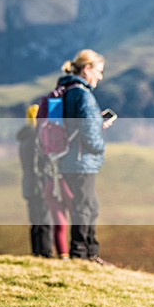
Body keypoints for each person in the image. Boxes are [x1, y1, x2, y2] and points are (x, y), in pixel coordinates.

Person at [57, 49, 115, 266]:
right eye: (98, 71)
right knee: (86, 207)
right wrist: (99, 148)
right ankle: (82, 253)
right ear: (87, 68)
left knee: (87, 205)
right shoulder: (82, 94)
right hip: (81, 160)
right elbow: (88, 134)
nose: (100, 76)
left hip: (70, 158)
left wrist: (96, 122)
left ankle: (88, 252)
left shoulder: (68, 90)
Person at [16, 104, 54, 257]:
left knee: (35, 220)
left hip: (28, 184)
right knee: (44, 219)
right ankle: (45, 253)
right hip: (39, 184)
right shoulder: (36, 139)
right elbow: (42, 162)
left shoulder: (24, 138)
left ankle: (37, 252)